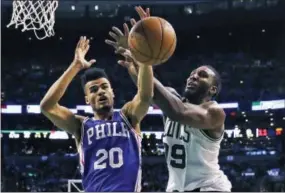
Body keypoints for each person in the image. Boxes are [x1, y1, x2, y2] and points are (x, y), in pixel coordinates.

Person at [106, 6, 232, 192]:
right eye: (192, 74)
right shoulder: (172, 96)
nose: (194, 76)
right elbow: (148, 90)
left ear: (213, 89)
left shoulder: (214, 113)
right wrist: (136, 53)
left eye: (202, 75)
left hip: (210, 188)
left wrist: (143, 61)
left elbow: (178, 111)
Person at [40, 36, 154, 192]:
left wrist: (143, 58)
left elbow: (146, 95)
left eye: (104, 87)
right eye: (94, 90)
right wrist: (75, 66)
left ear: (112, 93)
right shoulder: (81, 126)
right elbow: (47, 106)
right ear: (87, 100)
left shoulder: (128, 116)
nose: (100, 92)